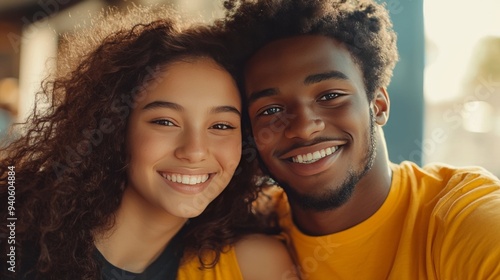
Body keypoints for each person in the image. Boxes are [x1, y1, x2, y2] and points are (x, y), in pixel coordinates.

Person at [0, 6, 297, 280]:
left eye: (221, 125)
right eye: (165, 122)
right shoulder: (12, 234)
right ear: (117, 127)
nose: (194, 151)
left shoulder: (247, 264)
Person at [219, 0, 500, 279]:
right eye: (271, 110)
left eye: (330, 96)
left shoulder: (465, 218)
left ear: (378, 105)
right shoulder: (238, 228)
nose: (304, 128)